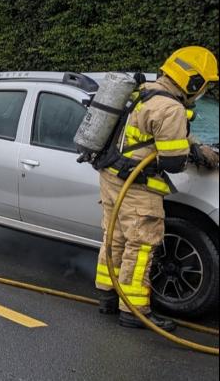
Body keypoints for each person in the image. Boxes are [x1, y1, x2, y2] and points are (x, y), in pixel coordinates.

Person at [94, 46, 219, 331]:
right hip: (138, 187)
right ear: (194, 81)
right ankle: (134, 310)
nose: (204, 91)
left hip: (112, 178)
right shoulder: (171, 108)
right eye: (205, 84)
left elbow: (148, 135)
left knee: (114, 238)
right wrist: (198, 155)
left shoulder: (143, 91)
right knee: (140, 246)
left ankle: (107, 296)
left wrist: (193, 145)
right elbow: (173, 163)